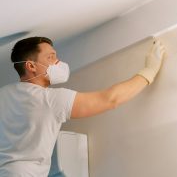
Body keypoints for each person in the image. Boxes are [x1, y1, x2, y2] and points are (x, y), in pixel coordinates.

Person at [0, 36, 165, 176]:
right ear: (31, 66)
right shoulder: (50, 99)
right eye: (50, 57)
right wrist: (149, 70)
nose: (58, 62)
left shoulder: (3, 94)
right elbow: (110, 99)